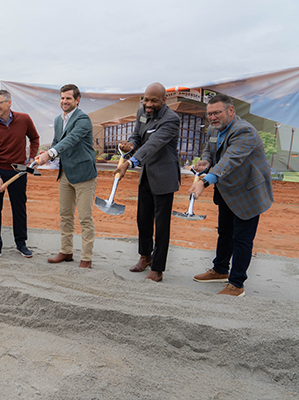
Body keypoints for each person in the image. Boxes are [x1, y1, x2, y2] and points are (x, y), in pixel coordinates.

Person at [188, 94, 273, 297]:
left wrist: (205, 181)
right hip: (227, 190)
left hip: (248, 193)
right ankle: (220, 270)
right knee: (224, 233)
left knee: (242, 239)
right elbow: (210, 151)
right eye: (210, 114)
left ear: (231, 111)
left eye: (217, 112)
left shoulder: (245, 131)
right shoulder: (213, 129)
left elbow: (230, 160)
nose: (213, 117)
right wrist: (206, 162)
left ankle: (237, 284)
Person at [114, 82, 181, 282]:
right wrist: (131, 144)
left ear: (163, 100)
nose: (148, 104)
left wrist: (130, 161)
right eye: (145, 99)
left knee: (161, 224)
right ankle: (145, 256)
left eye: (153, 100)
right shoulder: (142, 112)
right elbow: (138, 135)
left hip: (164, 176)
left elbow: (153, 144)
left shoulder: (171, 119)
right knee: (143, 219)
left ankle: (158, 268)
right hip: (147, 175)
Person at [36, 84, 96, 268]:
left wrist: (51, 153)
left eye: (68, 98)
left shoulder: (83, 119)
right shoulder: (57, 120)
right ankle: (66, 251)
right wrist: (44, 153)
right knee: (66, 216)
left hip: (84, 175)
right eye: (62, 98)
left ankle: (86, 258)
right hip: (65, 174)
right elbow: (57, 142)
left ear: (77, 100)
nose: (64, 101)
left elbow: (71, 140)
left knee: (85, 218)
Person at [0, 89, 40, 258]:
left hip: (18, 170)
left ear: (9, 103)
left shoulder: (24, 119)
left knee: (19, 208)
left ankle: (21, 244)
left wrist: (31, 157)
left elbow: (34, 138)